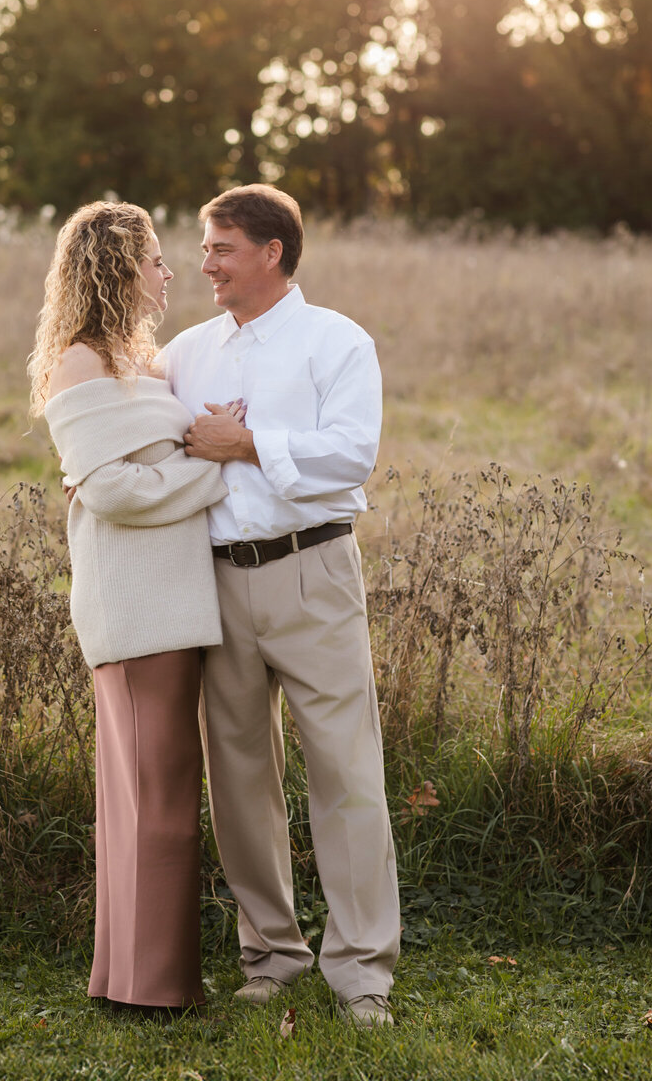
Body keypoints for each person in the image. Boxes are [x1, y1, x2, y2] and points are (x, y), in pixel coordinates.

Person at [161, 184, 399, 1028]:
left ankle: (363, 972)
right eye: (203, 246)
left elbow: (351, 458)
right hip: (215, 580)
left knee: (346, 771)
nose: (205, 263)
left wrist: (248, 443)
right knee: (238, 778)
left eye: (221, 247)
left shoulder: (337, 342)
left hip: (314, 573)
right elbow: (157, 443)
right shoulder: (185, 353)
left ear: (271, 251)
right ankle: (271, 954)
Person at [28, 201, 228, 1014]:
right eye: (154, 258)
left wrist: (200, 447)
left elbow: (147, 464)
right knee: (161, 800)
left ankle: (129, 977)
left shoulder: (145, 365)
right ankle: (155, 989)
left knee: (149, 795)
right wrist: (214, 469)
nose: (170, 271)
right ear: (118, 269)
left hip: (173, 602)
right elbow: (109, 489)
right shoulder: (79, 364)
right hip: (135, 605)